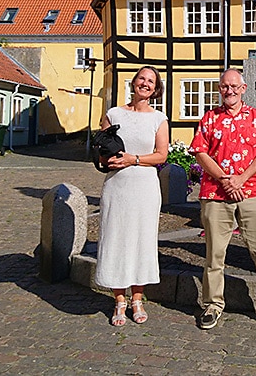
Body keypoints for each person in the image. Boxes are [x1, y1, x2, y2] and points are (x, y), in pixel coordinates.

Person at [189, 69, 256, 331]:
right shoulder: (209, 119)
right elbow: (200, 153)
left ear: (244, 88)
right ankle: (212, 304)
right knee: (214, 253)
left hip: (254, 192)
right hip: (217, 193)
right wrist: (226, 179)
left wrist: (241, 179)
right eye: (225, 86)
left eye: (235, 86)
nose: (230, 91)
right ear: (220, 89)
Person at [95, 66, 169, 326]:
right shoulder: (114, 113)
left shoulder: (159, 119)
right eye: (142, 79)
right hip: (118, 187)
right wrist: (106, 159)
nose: (145, 84)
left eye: (151, 81)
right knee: (116, 239)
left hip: (145, 188)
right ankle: (119, 300)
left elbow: (161, 155)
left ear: (155, 88)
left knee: (141, 241)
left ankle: (137, 297)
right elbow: (101, 149)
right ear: (134, 83)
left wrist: (133, 159)